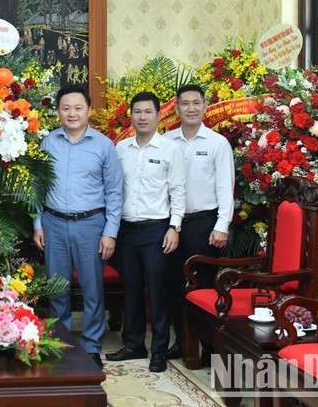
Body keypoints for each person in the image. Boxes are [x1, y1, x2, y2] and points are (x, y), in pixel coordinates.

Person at [33, 84, 123, 369]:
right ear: (58, 111)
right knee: (56, 287)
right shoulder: (48, 142)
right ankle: (59, 341)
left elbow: (115, 192)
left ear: (89, 111)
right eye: (66, 108)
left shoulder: (104, 145)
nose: (72, 113)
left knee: (92, 289)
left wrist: (110, 231)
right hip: (53, 223)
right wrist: (38, 224)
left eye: (78, 108)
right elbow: (37, 187)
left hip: (91, 224)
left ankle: (92, 345)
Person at [106, 91, 185, 373]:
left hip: (156, 229)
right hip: (127, 229)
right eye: (137, 112)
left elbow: (178, 191)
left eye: (148, 112)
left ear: (158, 115)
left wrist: (174, 227)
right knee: (131, 290)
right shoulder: (121, 149)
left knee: (157, 290)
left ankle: (159, 350)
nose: (142, 117)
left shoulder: (169, 149)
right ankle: (134, 344)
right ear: (131, 116)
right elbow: (113, 190)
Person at [163, 84, 235, 360]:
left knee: (203, 286)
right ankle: (183, 342)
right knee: (173, 284)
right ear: (177, 109)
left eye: (196, 103)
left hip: (205, 225)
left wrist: (221, 226)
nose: (191, 108)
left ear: (205, 107)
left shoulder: (217, 143)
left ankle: (208, 346)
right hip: (172, 226)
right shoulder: (167, 141)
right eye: (185, 104)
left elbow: (225, 188)